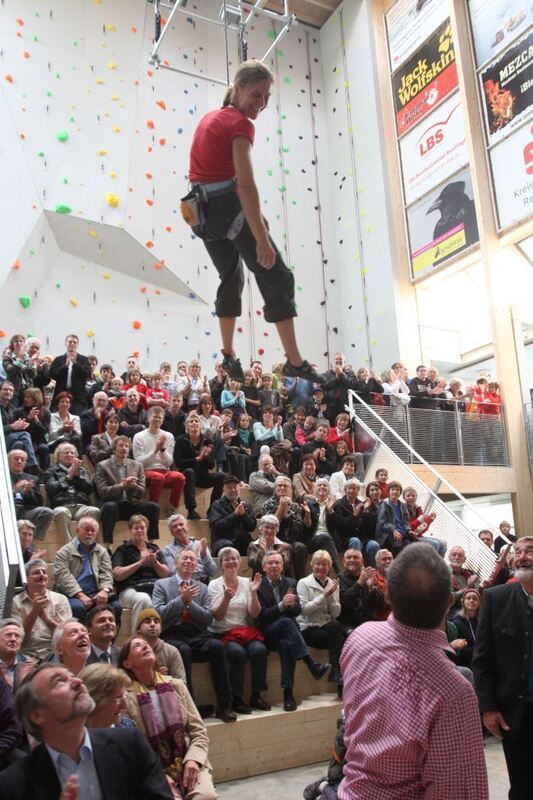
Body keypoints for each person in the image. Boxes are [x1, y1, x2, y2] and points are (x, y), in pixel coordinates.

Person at [187, 59, 324, 385]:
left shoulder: (212, 117)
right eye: (255, 94)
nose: (260, 103)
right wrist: (260, 237)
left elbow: (219, 172)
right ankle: (294, 361)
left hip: (200, 215)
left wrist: (253, 217)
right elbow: (246, 185)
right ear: (238, 88)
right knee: (275, 273)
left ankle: (228, 353)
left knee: (231, 276)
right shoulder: (239, 124)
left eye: (266, 97)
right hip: (222, 208)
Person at [339, 544, 488, 800]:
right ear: (450, 602)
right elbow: (457, 793)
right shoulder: (455, 693)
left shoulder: (359, 638)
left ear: (388, 597)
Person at [0, 662, 173, 799]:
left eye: (72, 676)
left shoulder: (130, 744)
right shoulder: (12, 784)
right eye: (59, 681)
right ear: (37, 715)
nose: (77, 681)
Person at [119, 636, 217, 800]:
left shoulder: (177, 685)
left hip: (188, 760)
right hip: (152, 771)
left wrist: (193, 760)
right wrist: (156, 775)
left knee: (205, 797)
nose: (144, 646)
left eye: (146, 644)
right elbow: (132, 750)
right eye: (137, 646)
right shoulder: (125, 698)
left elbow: (198, 730)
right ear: (127, 663)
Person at [472, 536, 533, 799]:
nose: (521, 556)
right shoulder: (496, 598)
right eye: (517, 552)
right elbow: (483, 659)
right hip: (516, 713)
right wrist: (488, 708)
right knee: (522, 786)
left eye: (529, 551)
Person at [153, 548, 236, 723]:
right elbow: (158, 615)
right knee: (182, 651)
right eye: (185, 558)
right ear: (176, 563)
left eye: (192, 559)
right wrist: (181, 600)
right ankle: (190, 707)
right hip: (172, 634)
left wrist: (190, 604)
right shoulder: (161, 585)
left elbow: (207, 618)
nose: (189, 561)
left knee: (218, 647)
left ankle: (224, 705)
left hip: (198, 634)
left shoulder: (202, 588)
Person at [208, 547, 270, 714]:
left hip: (244, 632)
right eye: (226, 559)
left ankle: (256, 695)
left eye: (234, 558)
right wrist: (227, 598)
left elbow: (254, 613)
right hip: (223, 632)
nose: (231, 562)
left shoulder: (245, 582)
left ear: (239, 561)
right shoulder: (214, 584)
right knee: (238, 653)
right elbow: (218, 616)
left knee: (260, 650)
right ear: (221, 564)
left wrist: (254, 592)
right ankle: (236, 698)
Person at [53, 517, 120, 623]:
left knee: (116, 607)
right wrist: (79, 594)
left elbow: (107, 573)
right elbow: (62, 576)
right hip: (72, 595)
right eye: (86, 529)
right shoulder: (64, 552)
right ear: (78, 530)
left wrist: (104, 590)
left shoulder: (102, 551)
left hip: (96, 593)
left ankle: (108, 639)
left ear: (96, 533)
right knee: (77, 608)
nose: (89, 533)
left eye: (93, 530)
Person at [95, 434, 160, 542]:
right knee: (109, 507)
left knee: (153, 507)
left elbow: (142, 491)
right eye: (121, 446)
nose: (124, 448)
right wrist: (122, 486)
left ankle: (152, 543)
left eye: (126, 446)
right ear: (114, 449)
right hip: (115, 505)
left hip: (132, 504)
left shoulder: (137, 465)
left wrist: (134, 486)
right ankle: (107, 545)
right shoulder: (103, 466)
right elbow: (102, 492)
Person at [111, 514, 169, 632]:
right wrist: (140, 563)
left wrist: (155, 562)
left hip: (154, 588)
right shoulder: (123, 549)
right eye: (136, 528)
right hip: (130, 590)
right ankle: (137, 640)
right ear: (131, 530)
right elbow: (117, 574)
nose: (139, 530)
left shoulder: (154, 548)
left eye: (142, 527)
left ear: (146, 529)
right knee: (143, 599)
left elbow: (166, 574)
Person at [296, 550, 343, 689]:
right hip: (308, 628)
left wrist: (332, 597)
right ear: (312, 565)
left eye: (324, 565)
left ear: (329, 567)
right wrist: (324, 595)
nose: (321, 568)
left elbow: (336, 613)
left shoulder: (333, 584)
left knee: (337, 629)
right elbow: (304, 610)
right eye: (318, 564)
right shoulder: (303, 583)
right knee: (339, 638)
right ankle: (337, 677)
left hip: (325, 627)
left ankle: (336, 673)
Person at [11, 559, 72, 661]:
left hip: (55, 652)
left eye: (44, 572)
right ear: (26, 578)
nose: (42, 575)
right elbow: (20, 641)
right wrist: (34, 612)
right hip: (26, 654)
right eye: (36, 572)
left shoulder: (60, 599)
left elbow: (65, 635)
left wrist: (46, 618)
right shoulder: (16, 602)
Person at [132, 406, 186, 515]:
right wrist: (155, 450)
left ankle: (172, 507)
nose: (157, 420)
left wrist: (162, 450)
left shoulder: (168, 436)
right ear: (148, 418)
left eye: (160, 418)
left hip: (164, 471)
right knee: (158, 477)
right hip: (145, 472)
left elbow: (169, 462)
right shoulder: (139, 436)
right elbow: (139, 462)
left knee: (180, 477)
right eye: (155, 417)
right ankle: (153, 507)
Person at [44, 442, 100, 541]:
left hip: (81, 507)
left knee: (94, 510)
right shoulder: (51, 471)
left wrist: (78, 477)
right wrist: (68, 477)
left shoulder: (83, 471)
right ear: (58, 456)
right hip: (62, 506)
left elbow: (89, 490)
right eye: (66, 453)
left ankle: (87, 543)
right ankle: (69, 545)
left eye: (72, 453)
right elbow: (51, 488)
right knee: (60, 512)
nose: (69, 455)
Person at [174, 414, 225, 520]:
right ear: (187, 426)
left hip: (203, 476)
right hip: (187, 476)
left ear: (200, 425)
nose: (194, 423)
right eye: (191, 421)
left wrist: (205, 456)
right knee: (189, 472)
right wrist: (197, 459)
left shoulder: (207, 441)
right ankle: (191, 510)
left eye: (196, 421)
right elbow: (178, 462)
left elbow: (211, 465)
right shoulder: (180, 440)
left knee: (221, 476)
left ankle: (212, 510)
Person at [262, 474, 310, 580]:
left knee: (300, 547)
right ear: (275, 488)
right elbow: (269, 526)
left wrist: (286, 515)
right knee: (284, 549)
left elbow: (298, 529)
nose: (282, 488)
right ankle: (290, 582)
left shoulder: (295, 506)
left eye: (285, 486)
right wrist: (281, 508)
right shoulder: (267, 504)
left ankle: (301, 580)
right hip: (273, 541)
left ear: (289, 489)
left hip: (291, 540)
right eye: (279, 485)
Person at [337, 549, 385, 636]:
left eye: (355, 557)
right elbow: (345, 601)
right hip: (348, 625)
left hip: (368, 623)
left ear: (362, 561)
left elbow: (380, 604)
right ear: (344, 561)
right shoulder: (339, 578)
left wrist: (372, 589)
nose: (352, 560)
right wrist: (360, 582)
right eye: (349, 557)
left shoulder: (368, 576)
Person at [8, 449, 53, 540]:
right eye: (16, 459)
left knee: (47, 512)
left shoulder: (32, 478)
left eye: (22, 459)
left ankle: (31, 544)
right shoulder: (3, 476)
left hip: (25, 511)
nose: (19, 461)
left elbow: (39, 502)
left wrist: (29, 492)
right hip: (7, 510)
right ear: (8, 460)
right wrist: (14, 491)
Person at [208, 474, 257, 556]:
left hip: (242, 541)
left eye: (235, 487)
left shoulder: (246, 505)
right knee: (229, 549)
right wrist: (235, 514)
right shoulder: (217, 505)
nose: (233, 490)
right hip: (222, 541)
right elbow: (216, 527)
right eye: (229, 488)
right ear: (224, 489)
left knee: (258, 547)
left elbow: (252, 527)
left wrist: (243, 515)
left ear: (239, 488)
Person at [161, 514, 216, 582]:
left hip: (204, 583)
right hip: (184, 584)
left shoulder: (200, 544)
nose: (179, 528)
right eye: (175, 526)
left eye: (181, 524)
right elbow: (173, 573)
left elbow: (213, 572)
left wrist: (204, 555)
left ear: (187, 527)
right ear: (171, 532)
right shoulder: (167, 550)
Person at [136, 608, 186, 683]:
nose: (152, 624)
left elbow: (182, 684)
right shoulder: (131, 651)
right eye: (147, 621)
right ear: (138, 629)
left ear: (161, 629)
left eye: (156, 622)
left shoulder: (172, 651)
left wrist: (163, 679)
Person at [78, 663, 133, 728]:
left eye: (124, 696)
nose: (124, 705)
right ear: (95, 700)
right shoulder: (71, 735)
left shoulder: (127, 728)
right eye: (118, 697)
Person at [0, 380, 39, 469]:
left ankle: (20, 473)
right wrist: (12, 427)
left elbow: (16, 427)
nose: (8, 392)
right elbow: (12, 427)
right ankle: (33, 465)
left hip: (9, 439)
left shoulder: (12, 408)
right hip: (2, 439)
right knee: (25, 435)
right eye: (5, 389)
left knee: (19, 443)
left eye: (11, 390)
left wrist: (24, 423)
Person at [50, 334, 92, 413]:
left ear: (77, 345)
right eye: (70, 342)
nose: (72, 344)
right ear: (65, 343)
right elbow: (53, 375)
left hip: (78, 398)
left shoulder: (83, 359)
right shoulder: (58, 359)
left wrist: (75, 364)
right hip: (60, 395)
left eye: (74, 342)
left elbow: (87, 374)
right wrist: (65, 366)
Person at [12, 387, 51, 469]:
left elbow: (45, 432)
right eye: (25, 397)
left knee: (44, 448)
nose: (25, 399)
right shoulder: (18, 412)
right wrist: (29, 417)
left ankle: (45, 475)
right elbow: (17, 429)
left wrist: (37, 421)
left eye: (28, 397)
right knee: (19, 445)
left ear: (36, 398)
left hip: (38, 441)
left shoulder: (45, 412)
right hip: (23, 439)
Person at [375, 480, 411, 555]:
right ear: (389, 491)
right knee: (398, 547)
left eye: (397, 490)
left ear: (400, 492)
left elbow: (406, 521)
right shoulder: (384, 504)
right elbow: (382, 523)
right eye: (392, 489)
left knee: (414, 545)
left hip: (402, 532)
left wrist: (408, 530)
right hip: (388, 534)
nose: (395, 491)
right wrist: (393, 529)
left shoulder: (403, 505)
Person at [0, 618, 35, 692]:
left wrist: (24, 681)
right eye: (8, 635)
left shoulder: (26, 664)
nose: (13, 639)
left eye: (17, 636)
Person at [450, 588, 481, 670]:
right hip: (465, 664)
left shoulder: (482, 621)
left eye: (475, 599)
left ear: (479, 603)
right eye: (468, 598)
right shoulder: (456, 623)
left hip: (481, 661)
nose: (471, 601)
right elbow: (459, 650)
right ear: (463, 601)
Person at [48, 391, 83, 455]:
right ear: (57, 404)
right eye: (62, 402)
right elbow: (52, 435)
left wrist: (73, 430)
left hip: (72, 441)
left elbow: (79, 434)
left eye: (67, 402)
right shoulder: (51, 416)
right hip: (55, 443)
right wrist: (62, 429)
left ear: (70, 405)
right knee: (64, 439)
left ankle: (79, 461)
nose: (65, 404)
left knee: (76, 438)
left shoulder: (76, 418)